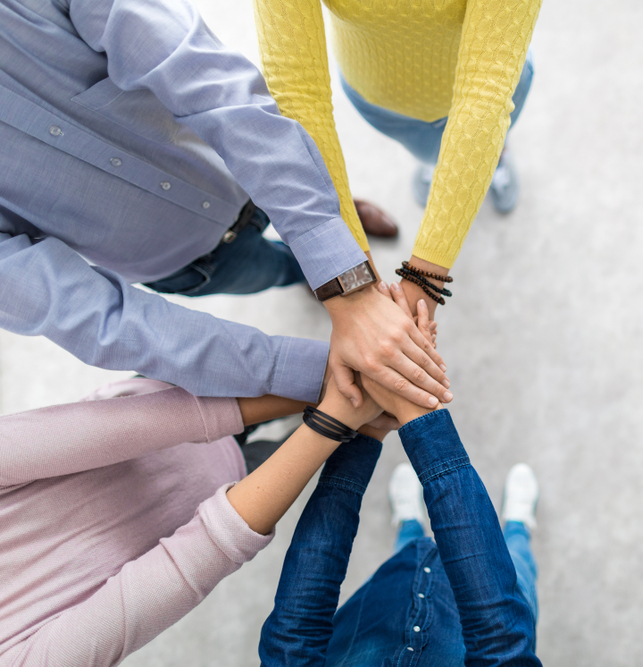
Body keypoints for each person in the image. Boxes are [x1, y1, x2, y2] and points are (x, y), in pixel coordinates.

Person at [0, 0, 450, 410]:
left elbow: (212, 85)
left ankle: (341, 219)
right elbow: (91, 316)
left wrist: (344, 279)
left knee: (309, 190)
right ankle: (303, 271)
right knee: (278, 269)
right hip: (188, 260)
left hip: (237, 161)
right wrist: (304, 369)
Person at [0, 348, 397, 665]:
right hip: (226, 497)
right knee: (334, 417)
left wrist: (338, 383)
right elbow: (182, 566)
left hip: (162, 407)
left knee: (328, 379)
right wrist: (338, 411)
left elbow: (107, 430)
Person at [252, 0, 542, 320]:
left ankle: (495, 160)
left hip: (494, 83)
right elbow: (297, 95)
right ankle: (438, 164)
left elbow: (486, 92)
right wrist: (357, 277)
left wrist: (424, 282)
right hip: (379, 98)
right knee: (430, 152)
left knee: (492, 137)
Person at [259, 357, 542, 665]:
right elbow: (501, 645)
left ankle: (409, 522)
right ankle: (517, 524)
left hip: (388, 596)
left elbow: (293, 642)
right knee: (515, 563)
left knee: (409, 551)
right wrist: (420, 419)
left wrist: (364, 432)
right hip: (485, 596)